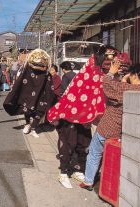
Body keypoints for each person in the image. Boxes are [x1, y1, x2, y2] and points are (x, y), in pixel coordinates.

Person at [80, 61, 140, 191]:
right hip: (122, 132)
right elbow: (121, 93)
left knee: (94, 153)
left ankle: (88, 181)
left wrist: (111, 72)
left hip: (108, 127)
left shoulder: (127, 88)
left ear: (135, 75)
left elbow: (107, 85)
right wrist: (124, 79)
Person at [54, 61, 92, 189]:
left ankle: (71, 171)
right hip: (77, 114)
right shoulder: (78, 77)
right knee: (77, 142)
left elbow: (62, 94)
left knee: (75, 142)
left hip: (77, 114)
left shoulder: (67, 77)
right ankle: (70, 172)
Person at [3, 49, 55, 138]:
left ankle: (33, 128)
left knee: (40, 111)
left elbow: (49, 86)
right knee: (27, 109)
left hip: (41, 95)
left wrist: (50, 98)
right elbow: (20, 80)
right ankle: (27, 124)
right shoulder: (27, 70)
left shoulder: (46, 73)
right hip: (28, 93)